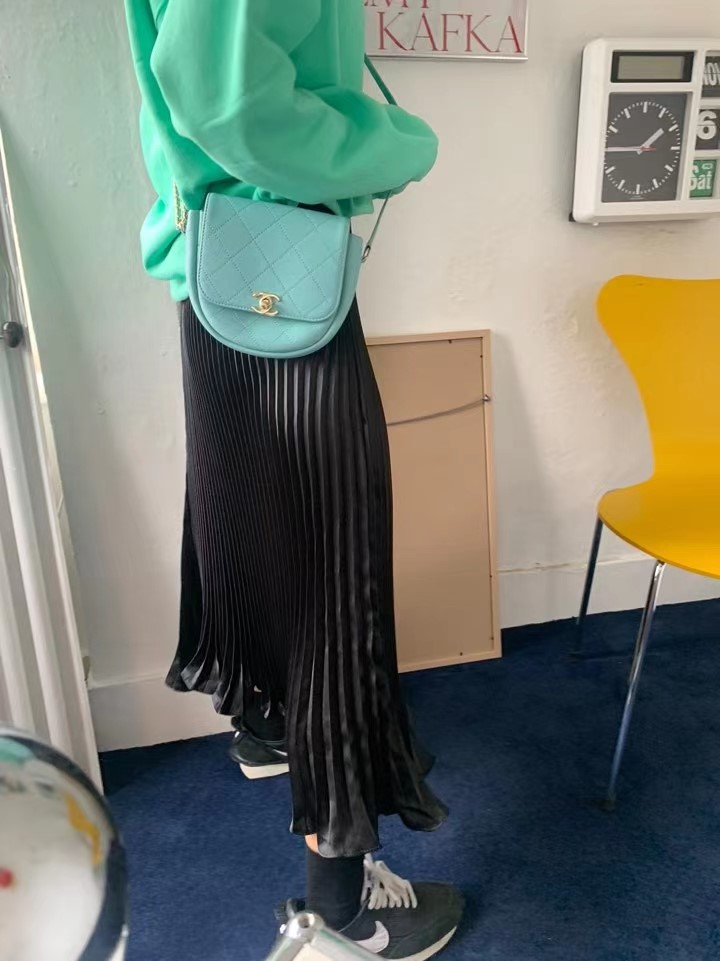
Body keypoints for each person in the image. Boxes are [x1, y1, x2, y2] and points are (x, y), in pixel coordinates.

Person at [124, 2, 463, 956]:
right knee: (332, 580)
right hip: (278, 264)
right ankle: (340, 916)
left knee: (254, 527)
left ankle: (271, 727)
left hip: (218, 260)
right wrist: (399, 143)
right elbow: (229, 97)